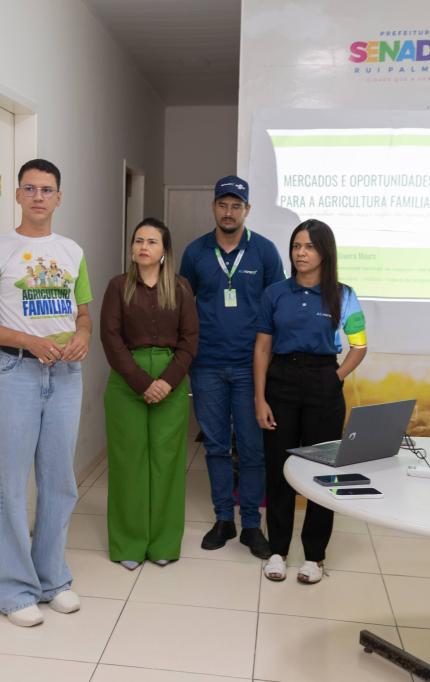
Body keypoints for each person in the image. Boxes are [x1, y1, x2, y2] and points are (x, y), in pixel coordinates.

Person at [0, 158, 91, 627]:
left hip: (66, 376)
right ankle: (13, 589)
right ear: (17, 195)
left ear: (59, 197)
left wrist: (83, 336)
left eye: (47, 189)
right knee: (12, 484)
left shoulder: (72, 251)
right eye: (30, 188)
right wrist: (28, 341)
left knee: (59, 483)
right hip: (17, 372)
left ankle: (52, 579)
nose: (39, 196)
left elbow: (83, 314)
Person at [253, 219, 367, 584]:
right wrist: (260, 398)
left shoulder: (344, 294)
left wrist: (336, 376)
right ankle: (277, 550)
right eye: (296, 246)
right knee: (279, 469)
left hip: (324, 384)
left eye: (309, 247)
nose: (301, 253)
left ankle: (315, 556)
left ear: (324, 253)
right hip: (281, 382)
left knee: (321, 472)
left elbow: (359, 346)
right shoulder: (275, 293)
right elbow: (263, 347)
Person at [179, 175, 284, 558]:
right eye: (223, 205)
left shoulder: (265, 252)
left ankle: (251, 525)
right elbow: (182, 306)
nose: (228, 212)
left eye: (236, 206)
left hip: (250, 367)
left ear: (247, 210)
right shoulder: (195, 252)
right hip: (206, 365)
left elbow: (278, 307)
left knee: (253, 448)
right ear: (213, 207)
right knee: (217, 447)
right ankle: (224, 518)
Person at [100, 218, 198, 570]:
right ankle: (129, 542)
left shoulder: (181, 287)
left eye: (152, 241)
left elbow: (190, 339)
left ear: (164, 251)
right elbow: (110, 338)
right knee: (129, 462)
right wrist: (143, 383)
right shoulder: (118, 286)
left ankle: (163, 543)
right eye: (138, 240)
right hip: (127, 380)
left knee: (167, 462)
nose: (143, 246)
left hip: (172, 379)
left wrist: (167, 381)